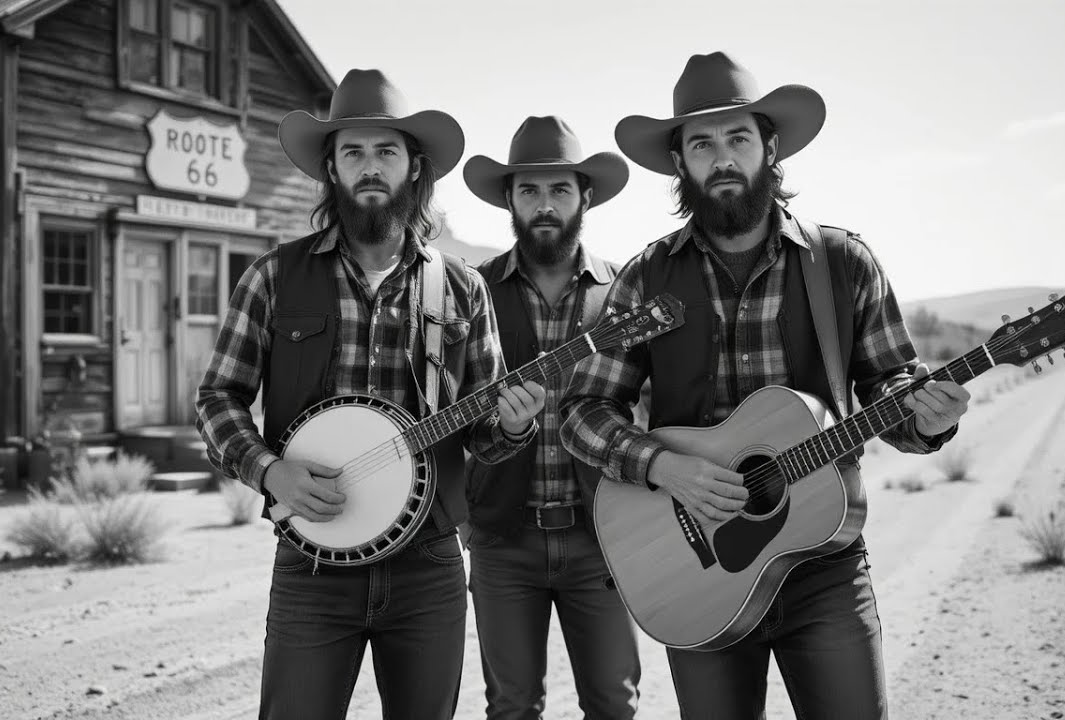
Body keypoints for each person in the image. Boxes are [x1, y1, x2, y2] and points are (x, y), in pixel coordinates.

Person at [559, 52, 971, 720]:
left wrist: (928, 417)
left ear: (769, 147)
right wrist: (663, 466)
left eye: (738, 138)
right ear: (679, 162)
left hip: (825, 566)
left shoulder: (843, 262)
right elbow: (583, 411)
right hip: (696, 568)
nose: (722, 158)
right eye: (702, 143)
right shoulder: (644, 279)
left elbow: (889, 389)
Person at [194, 68, 546, 720]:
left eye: (386, 151)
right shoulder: (274, 276)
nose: (370, 167)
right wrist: (268, 470)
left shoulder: (462, 288)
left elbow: (484, 437)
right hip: (312, 570)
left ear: (415, 168)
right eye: (352, 152)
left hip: (429, 568)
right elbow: (217, 397)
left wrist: (515, 426)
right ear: (331, 168)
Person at [462, 116, 641, 719]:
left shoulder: (625, 295)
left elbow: (659, 407)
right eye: (530, 191)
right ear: (509, 200)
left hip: (605, 537)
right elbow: (449, 415)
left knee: (615, 705)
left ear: (585, 197)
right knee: (511, 707)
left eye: (560, 190)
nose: (545, 205)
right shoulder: (471, 292)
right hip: (501, 541)